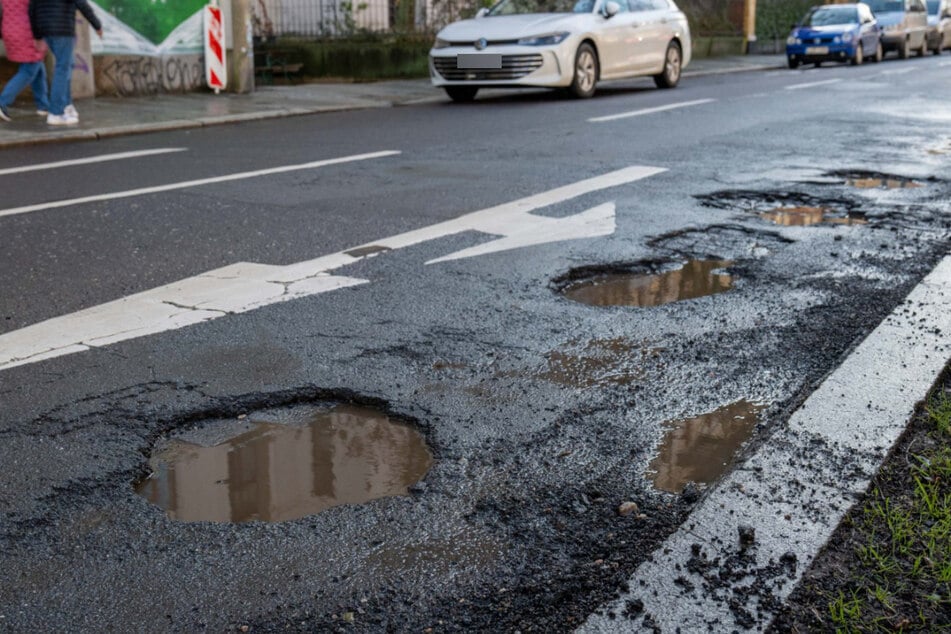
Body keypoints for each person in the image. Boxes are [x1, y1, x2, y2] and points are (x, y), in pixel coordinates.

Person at [28, 0, 102, 125]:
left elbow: (32, 8)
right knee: (62, 69)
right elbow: (81, 3)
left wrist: (37, 35)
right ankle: (56, 113)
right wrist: (97, 24)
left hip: (46, 30)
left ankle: (67, 106)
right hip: (62, 30)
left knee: (67, 65)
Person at [0, 0, 50, 121]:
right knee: (29, 69)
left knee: (37, 65)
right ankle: (2, 102)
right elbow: (37, 11)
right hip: (27, 31)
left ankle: (43, 105)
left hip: (9, 29)